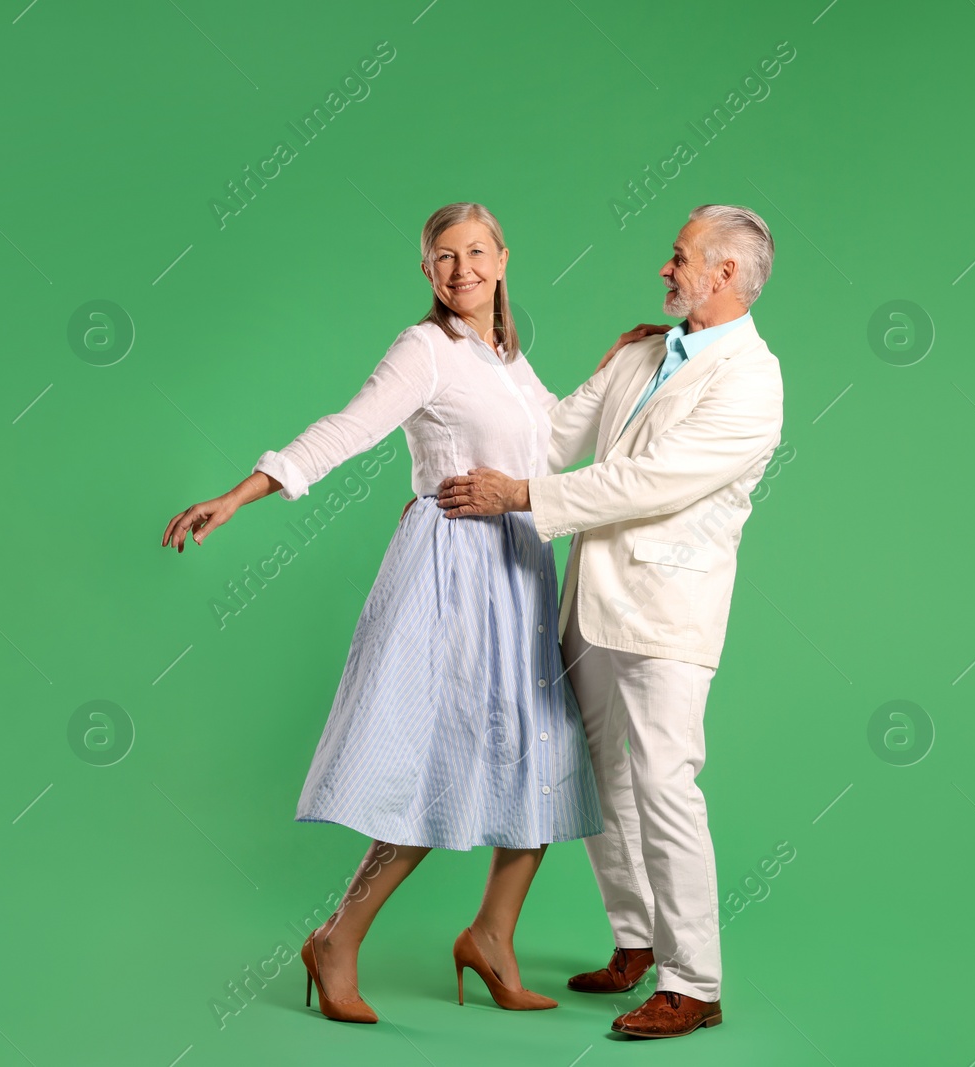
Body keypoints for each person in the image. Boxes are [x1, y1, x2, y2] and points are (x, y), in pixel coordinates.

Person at [162, 202, 657, 1023]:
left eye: (473, 252)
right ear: (427, 273)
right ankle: (337, 937)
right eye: (442, 257)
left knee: (542, 750)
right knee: (439, 764)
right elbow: (348, 428)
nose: (460, 269)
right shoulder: (425, 349)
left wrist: (614, 366)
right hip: (454, 570)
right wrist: (243, 494)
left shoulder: (508, 361)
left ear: (502, 258)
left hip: (520, 567)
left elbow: (548, 448)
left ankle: (492, 937)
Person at [434, 204, 786, 1038]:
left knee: (665, 780)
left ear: (725, 273)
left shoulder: (752, 380)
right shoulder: (642, 352)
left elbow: (648, 482)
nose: (664, 270)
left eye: (678, 257)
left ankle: (693, 980)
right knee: (594, 772)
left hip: (667, 609)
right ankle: (636, 938)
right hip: (589, 597)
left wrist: (520, 498)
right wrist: (479, 373)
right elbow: (545, 435)